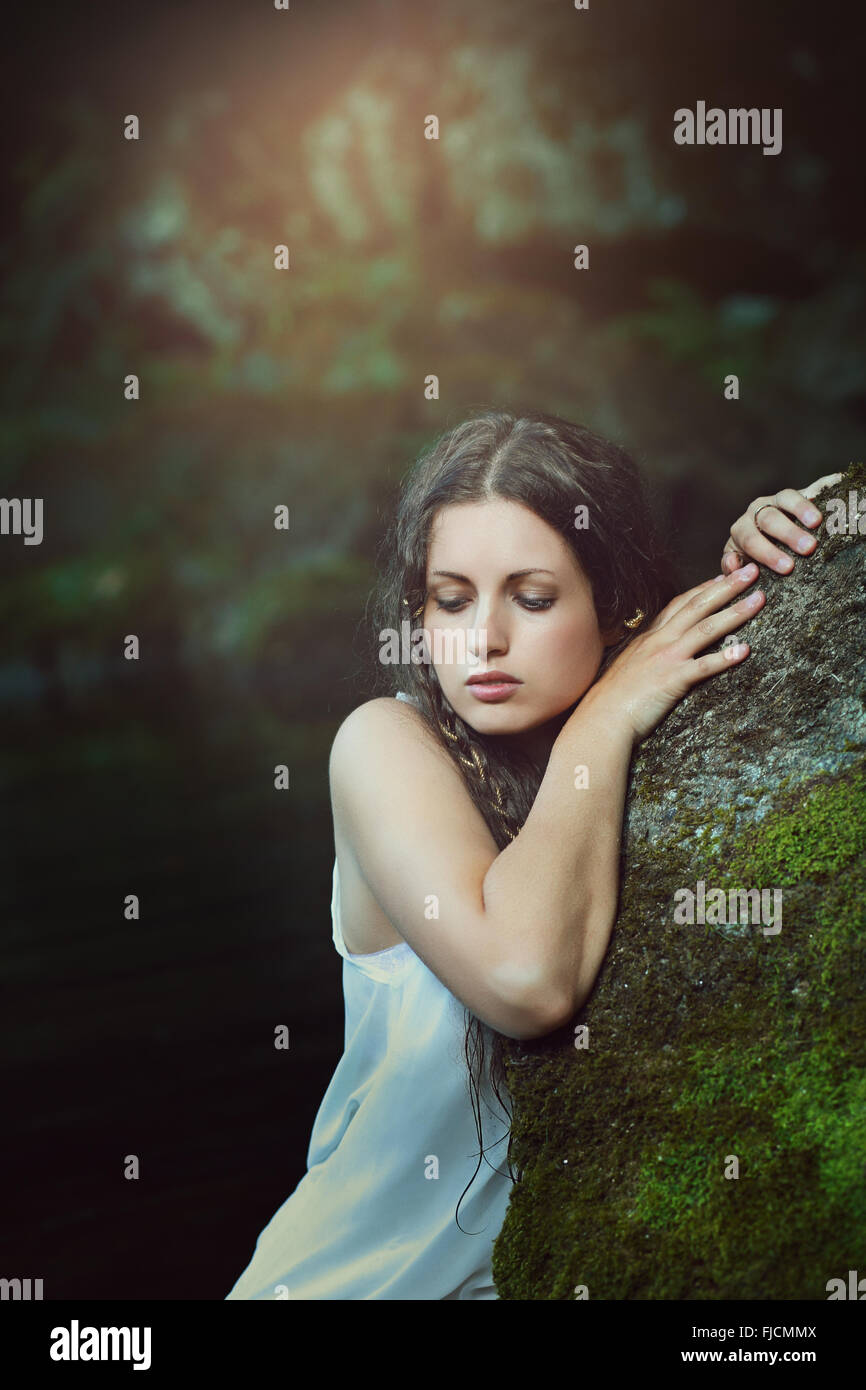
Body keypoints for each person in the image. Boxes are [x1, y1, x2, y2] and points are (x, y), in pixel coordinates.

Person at [225, 409, 839, 1300]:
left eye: (534, 597)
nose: (484, 639)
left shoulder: (658, 723)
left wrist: (784, 547)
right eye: (451, 599)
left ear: (620, 601)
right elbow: (526, 982)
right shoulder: (384, 746)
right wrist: (604, 714)